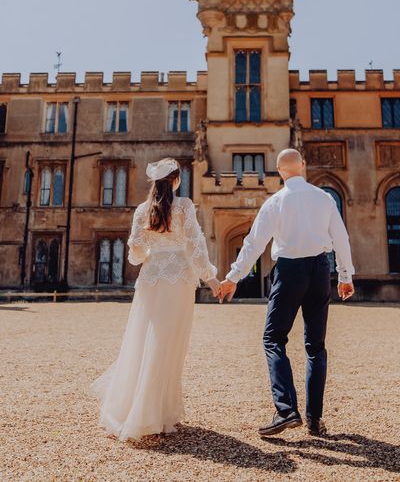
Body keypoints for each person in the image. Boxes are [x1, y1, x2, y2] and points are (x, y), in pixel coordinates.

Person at [219, 148, 355, 437]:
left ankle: (286, 410)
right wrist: (345, 275)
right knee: (316, 346)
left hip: (290, 271)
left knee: (273, 339)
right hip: (320, 269)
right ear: (303, 166)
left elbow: (254, 244)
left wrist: (232, 277)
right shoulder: (324, 198)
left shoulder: (275, 201)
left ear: (279, 171)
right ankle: (314, 420)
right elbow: (340, 237)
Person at [91, 158, 220, 441]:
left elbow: (135, 255)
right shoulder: (184, 206)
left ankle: (136, 409)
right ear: (176, 180)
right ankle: (158, 413)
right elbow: (195, 247)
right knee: (169, 344)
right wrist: (212, 280)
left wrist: (154, 255)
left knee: (142, 340)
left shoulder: (142, 210)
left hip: (151, 279)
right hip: (179, 280)